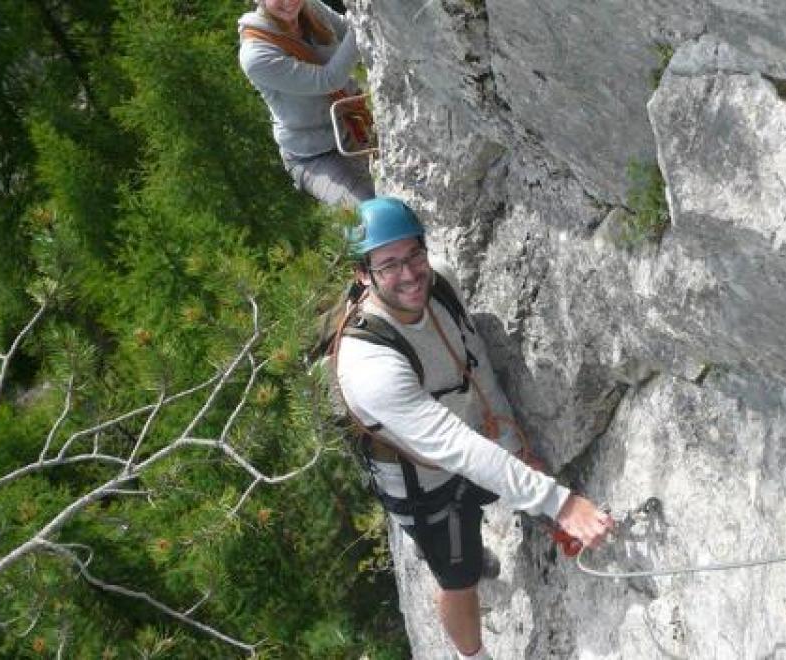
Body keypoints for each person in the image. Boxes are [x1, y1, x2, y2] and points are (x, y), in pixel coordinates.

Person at [334, 197, 613, 660]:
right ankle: (473, 655)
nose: (409, 274)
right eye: (388, 265)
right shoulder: (367, 365)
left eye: (414, 255)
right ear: (363, 274)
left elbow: (474, 363)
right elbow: (455, 449)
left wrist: (514, 444)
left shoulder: (440, 281)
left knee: (481, 515)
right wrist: (561, 504)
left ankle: (469, 551)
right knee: (458, 576)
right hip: (421, 480)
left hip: (469, 438)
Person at [237, 0, 375, 207]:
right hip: (314, 157)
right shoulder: (256, 55)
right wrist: (368, 17)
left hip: (355, 127)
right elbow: (328, 80)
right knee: (374, 214)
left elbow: (349, 30)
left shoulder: (311, 8)